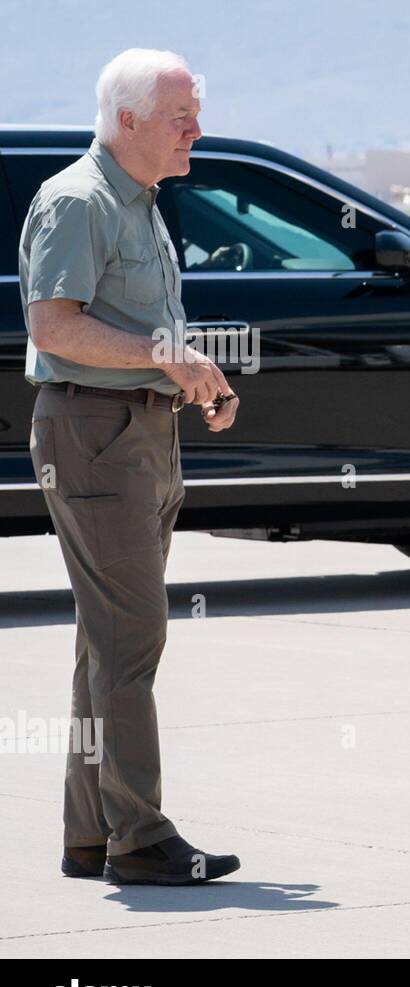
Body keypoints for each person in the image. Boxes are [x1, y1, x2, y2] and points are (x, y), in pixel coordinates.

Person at [21, 48, 241, 885]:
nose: (196, 127)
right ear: (127, 121)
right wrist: (165, 356)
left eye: (196, 110)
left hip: (140, 432)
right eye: (182, 114)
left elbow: (146, 336)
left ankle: (91, 833)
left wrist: (195, 379)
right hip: (95, 433)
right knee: (130, 643)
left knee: (103, 644)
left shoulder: (139, 201)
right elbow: (54, 325)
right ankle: (140, 837)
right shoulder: (78, 199)